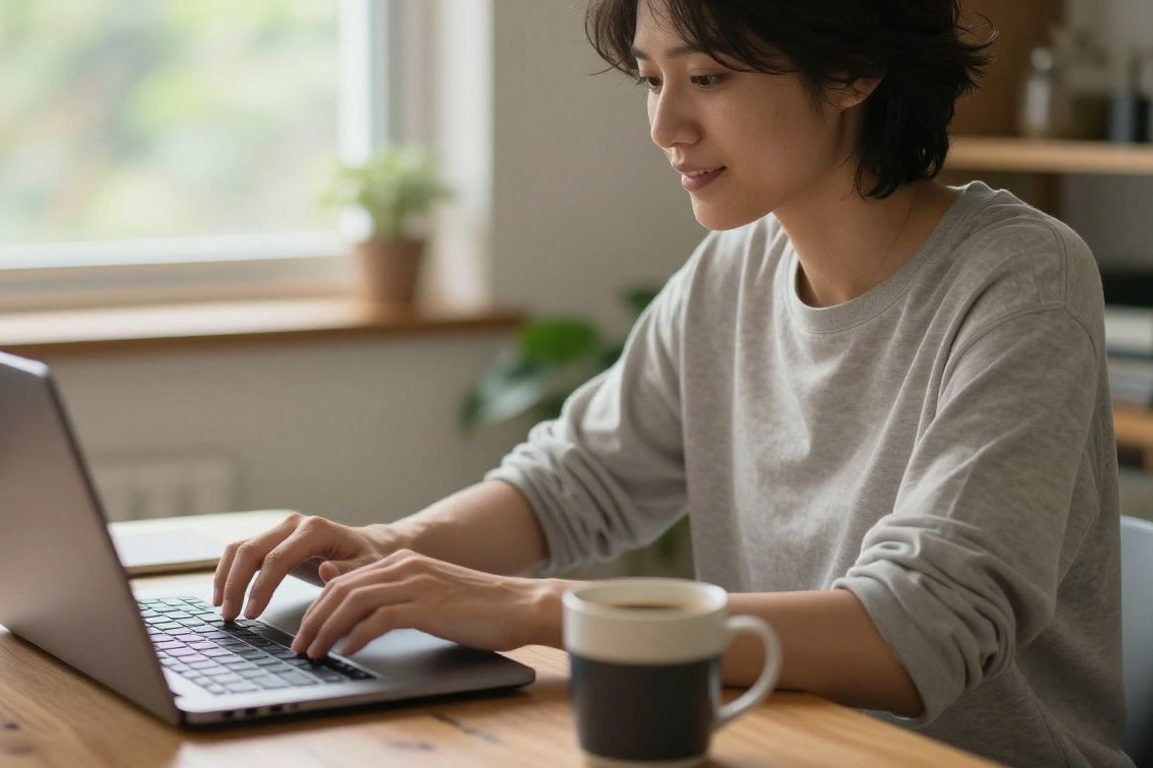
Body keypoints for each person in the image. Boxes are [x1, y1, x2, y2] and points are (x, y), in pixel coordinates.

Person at [213, 1, 1131, 765]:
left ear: (853, 69)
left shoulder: (1020, 281)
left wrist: (533, 608)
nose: (665, 127)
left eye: (709, 77)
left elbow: (918, 630)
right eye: (652, 80)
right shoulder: (735, 268)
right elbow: (576, 480)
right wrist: (391, 545)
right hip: (779, 746)